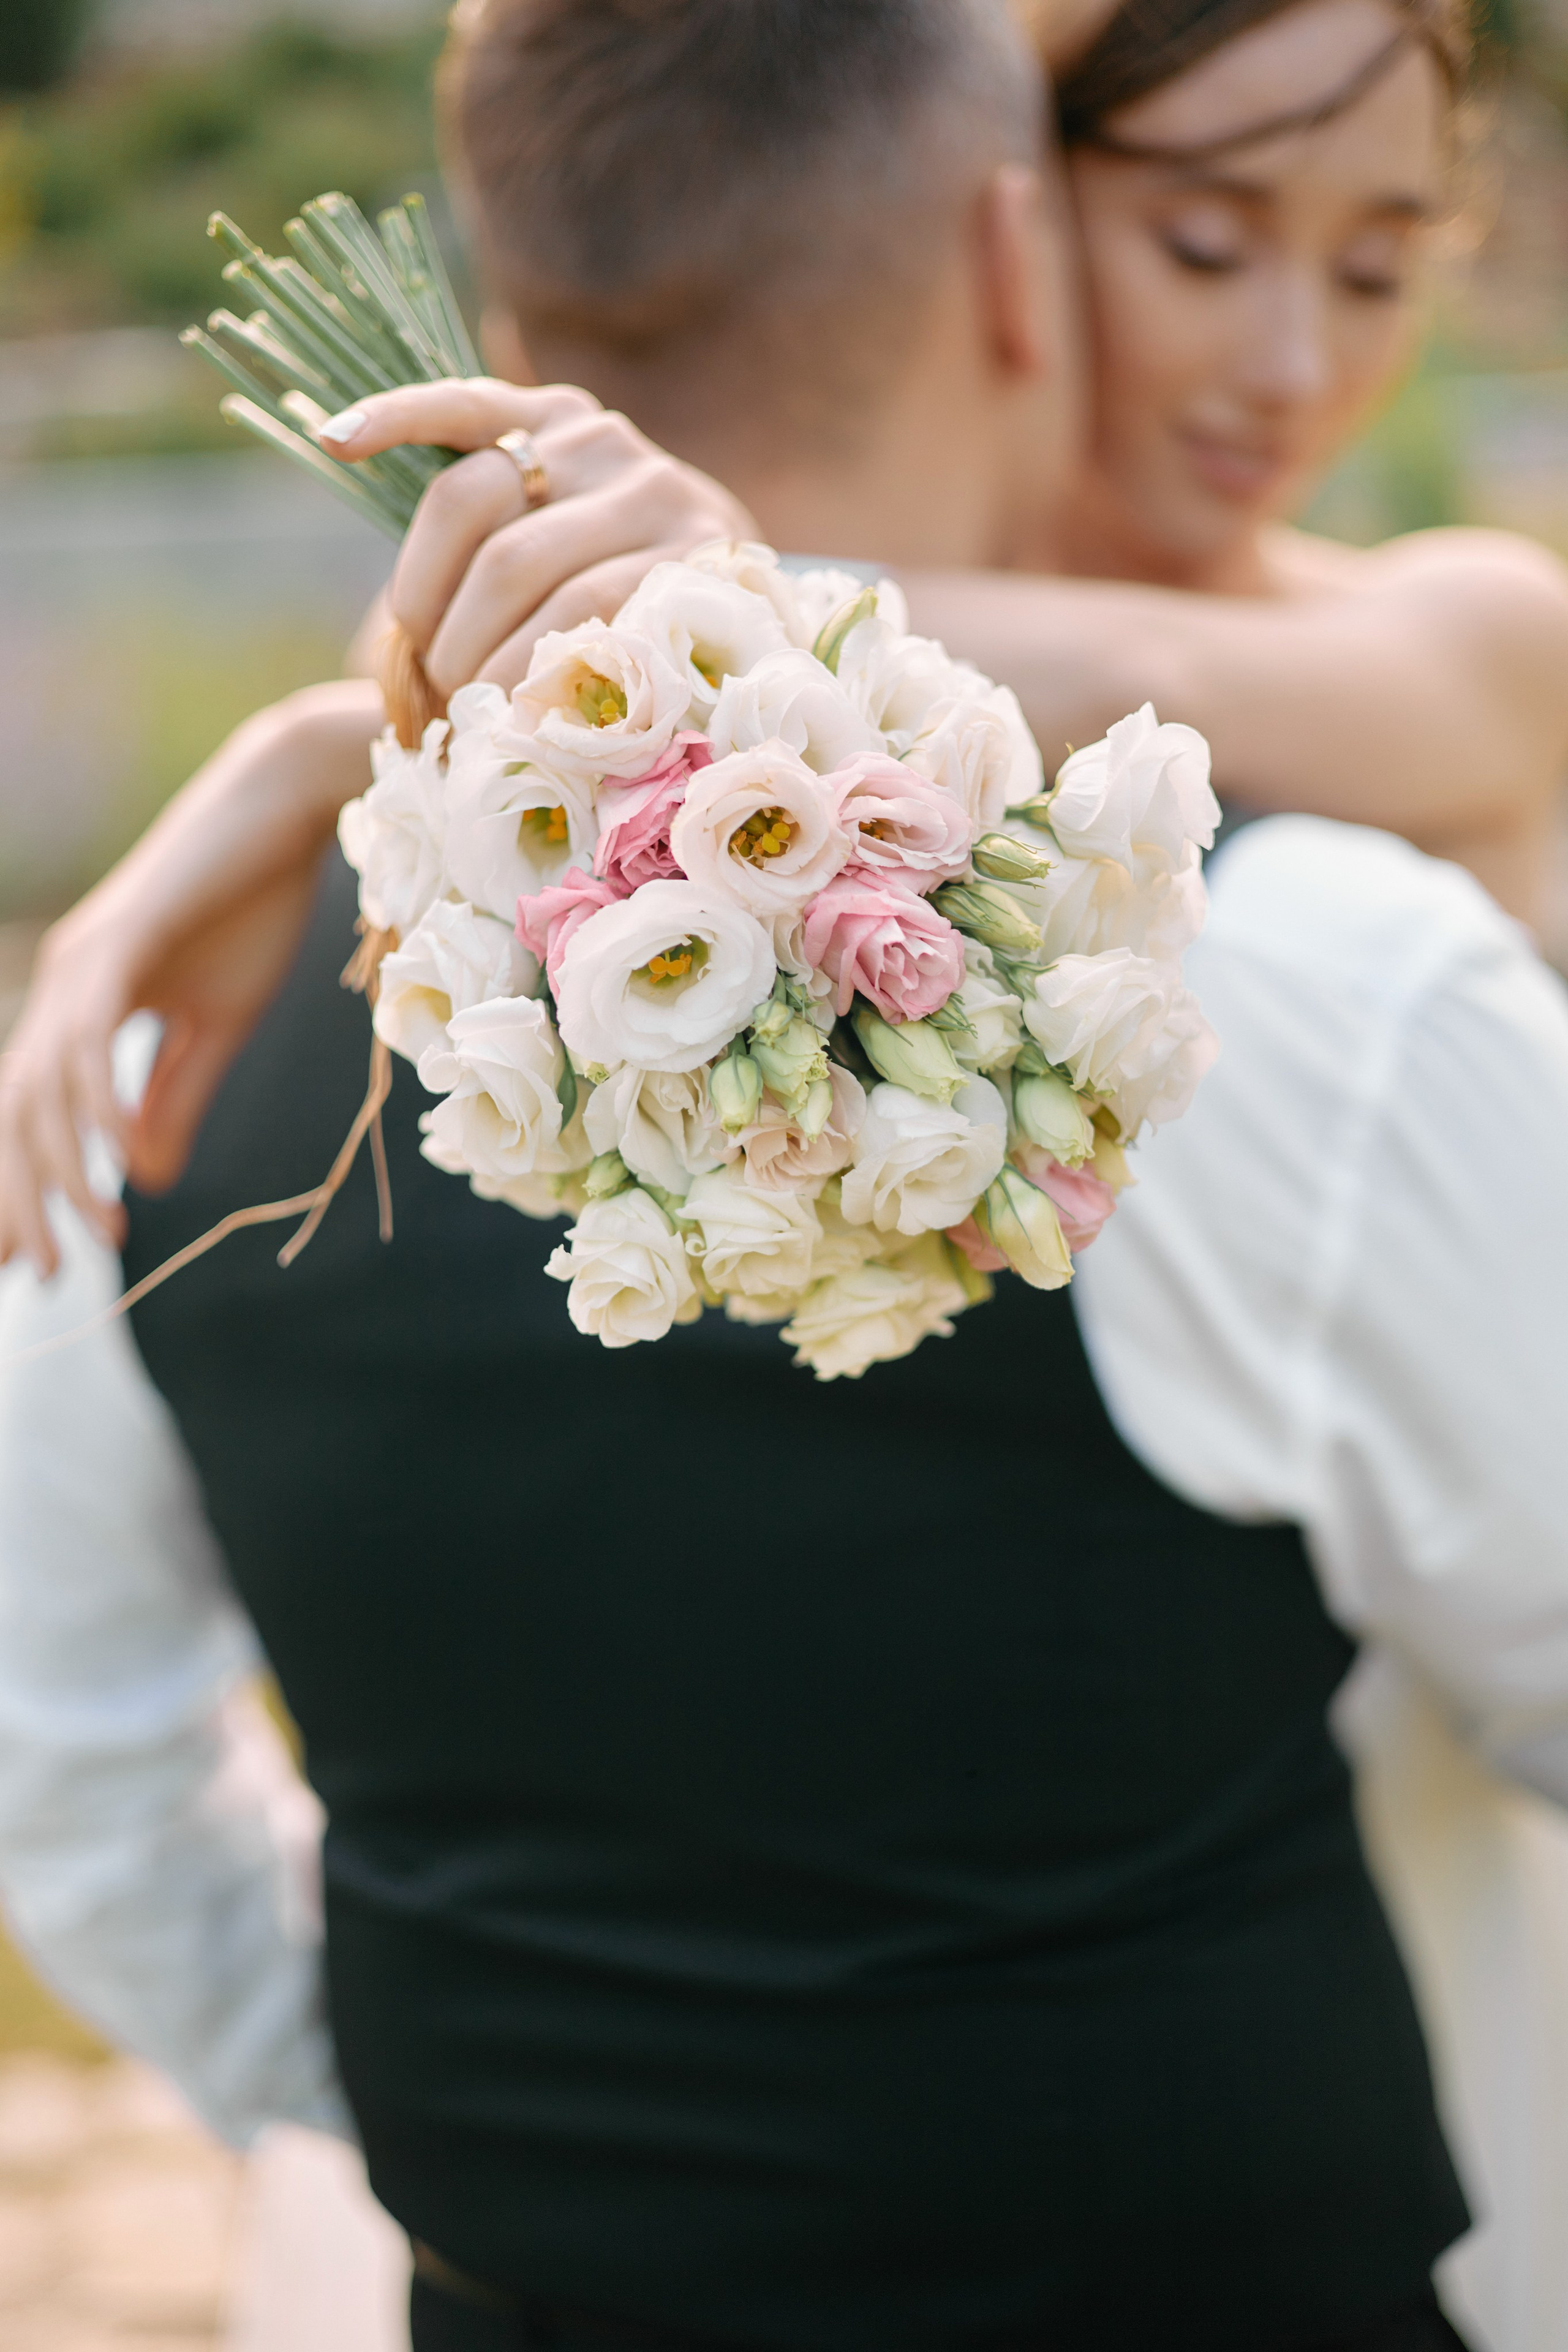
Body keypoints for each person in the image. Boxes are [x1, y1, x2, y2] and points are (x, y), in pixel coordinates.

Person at [0, 0, 1564, 2345]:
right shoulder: (1297, 959)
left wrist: (377, 727)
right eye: (1205, 237)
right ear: (1018, 253)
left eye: (1374, 262)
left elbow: (92, 1796)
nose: (1281, 362)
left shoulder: (199, 1022)